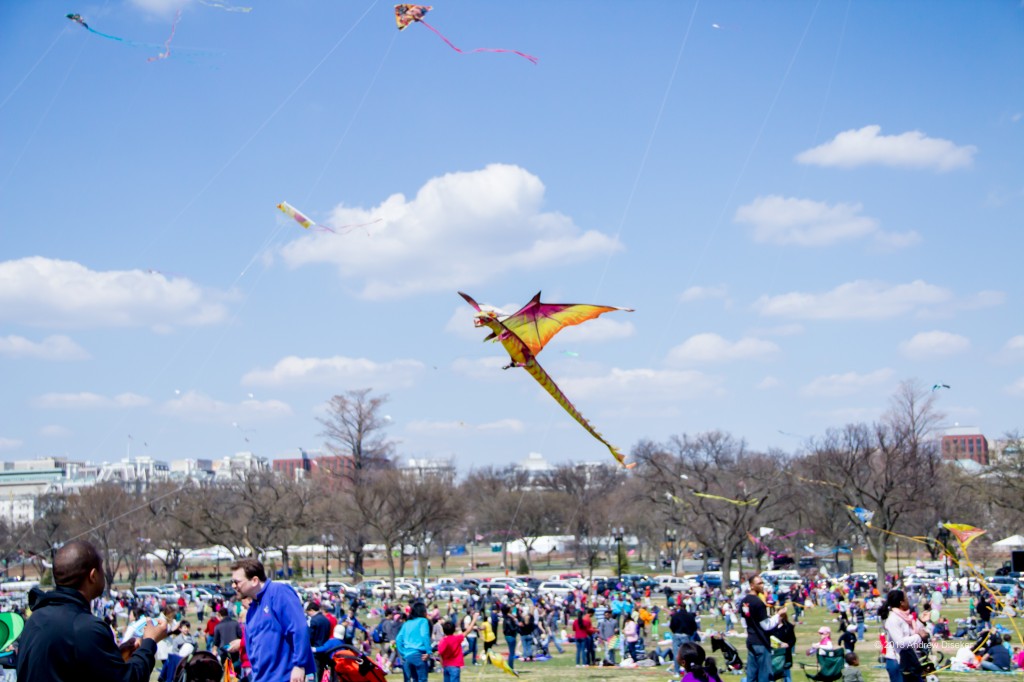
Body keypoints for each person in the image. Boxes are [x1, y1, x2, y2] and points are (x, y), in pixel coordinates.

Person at [17, 539, 169, 682]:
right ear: (93, 576)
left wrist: (113, 656)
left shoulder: (36, 619)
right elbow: (129, 679)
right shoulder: (85, 627)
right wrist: (149, 642)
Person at [230, 557, 315, 682]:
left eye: (237, 582)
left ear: (254, 580)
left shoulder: (278, 593)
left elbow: (299, 628)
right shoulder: (252, 609)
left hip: (286, 677)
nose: (233, 586)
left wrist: (299, 665)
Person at [738, 574, 786, 682]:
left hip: (751, 640)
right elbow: (766, 625)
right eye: (759, 583)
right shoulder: (758, 603)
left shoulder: (744, 601)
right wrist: (779, 615)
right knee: (764, 676)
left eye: (762, 583)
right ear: (752, 586)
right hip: (761, 642)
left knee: (751, 676)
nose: (762, 585)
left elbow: (744, 623)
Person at [880, 589, 927, 682]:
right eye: (906, 598)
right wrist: (919, 637)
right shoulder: (893, 619)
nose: (908, 600)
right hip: (897, 661)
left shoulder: (905, 617)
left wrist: (921, 621)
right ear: (901, 602)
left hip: (908, 659)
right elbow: (900, 642)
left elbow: (911, 633)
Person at [395, 601, 432, 682]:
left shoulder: (406, 623)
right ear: (422, 611)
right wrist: (429, 652)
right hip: (419, 655)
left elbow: (398, 639)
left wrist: (403, 653)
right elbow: (424, 635)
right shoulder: (423, 621)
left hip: (407, 656)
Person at [438, 612, 477, 682]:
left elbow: (440, 654)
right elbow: (468, 630)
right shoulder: (457, 638)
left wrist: (442, 665)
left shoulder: (442, 641)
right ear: (454, 629)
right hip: (455, 666)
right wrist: (474, 619)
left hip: (446, 666)